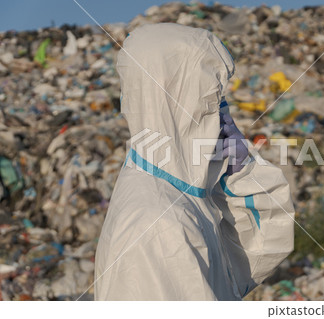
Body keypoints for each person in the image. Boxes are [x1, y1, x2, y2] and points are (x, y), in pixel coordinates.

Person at [94, 23, 294, 301]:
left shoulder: (179, 194)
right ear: (177, 100)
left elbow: (253, 258)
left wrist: (242, 172)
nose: (223, 113)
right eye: (214, 99)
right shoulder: (158, 223)